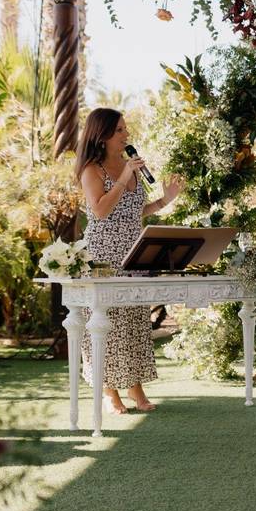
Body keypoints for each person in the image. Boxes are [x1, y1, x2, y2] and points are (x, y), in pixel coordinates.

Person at [75, 108, 183, 414]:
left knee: (134, 321)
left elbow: (133, 210)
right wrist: (123, 176)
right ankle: (110, 393)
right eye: (120, 130)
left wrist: (164, 200)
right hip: (102, 255)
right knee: (107, 324)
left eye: (126, 129)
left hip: (133, 253)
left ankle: (135, 387)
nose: (126, 135)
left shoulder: (131, 168)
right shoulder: (92, 170)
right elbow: (100, 211)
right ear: (104, 134)